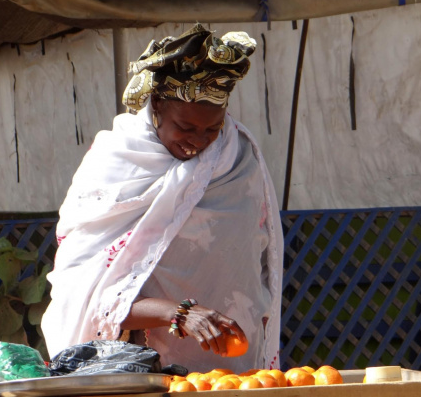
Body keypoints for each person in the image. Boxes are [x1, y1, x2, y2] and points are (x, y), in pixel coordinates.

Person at [41, 24, 284, 372]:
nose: (198, 141)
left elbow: (251, 268)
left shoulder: (238, 160)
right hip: (141, 373)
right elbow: (84, 298)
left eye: (211, 129)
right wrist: (180, 313)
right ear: (156, 105)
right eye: (185, 128)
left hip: (232, 373)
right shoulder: (114, 164)